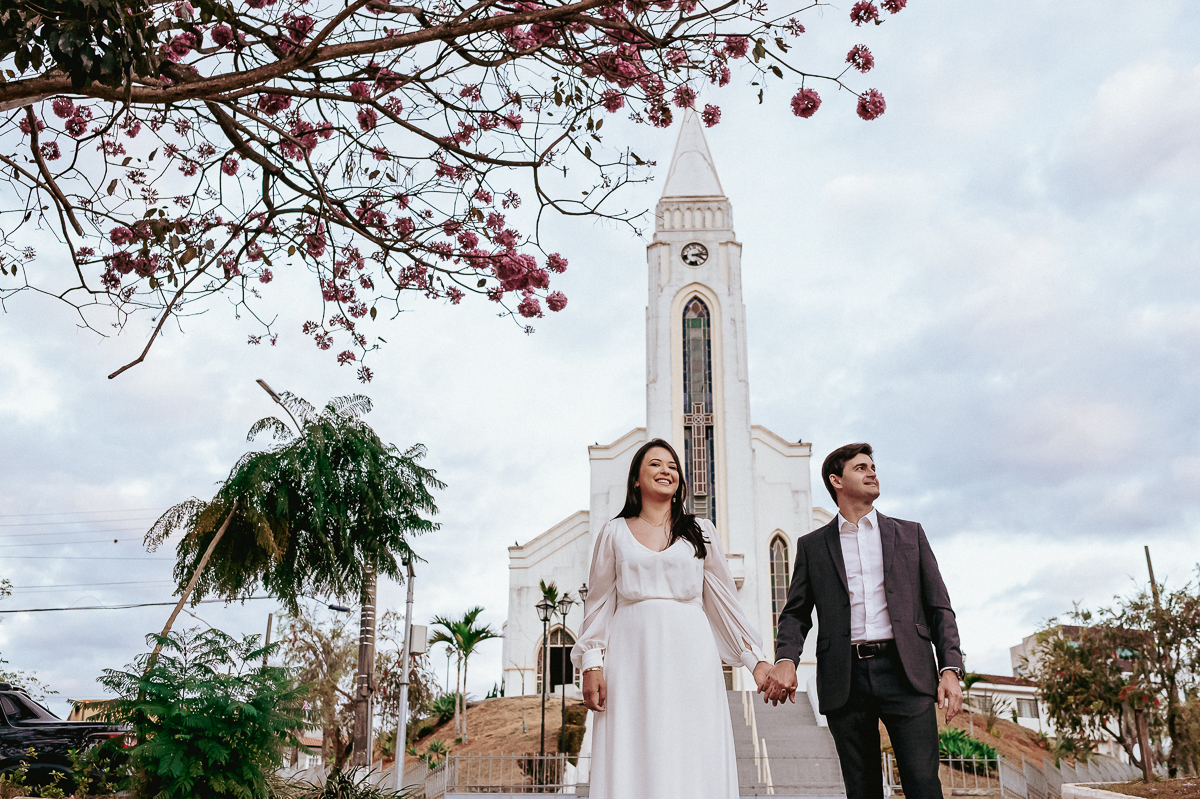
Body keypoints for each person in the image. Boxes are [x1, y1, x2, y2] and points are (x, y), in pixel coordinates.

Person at [759, 443, 964, 799]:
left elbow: (939, 608)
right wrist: (786, 659)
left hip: (906, 672)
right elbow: (795, 613)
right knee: (862, 790)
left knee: (923, 784)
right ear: (836, 480)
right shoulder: (813, 545)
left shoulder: (910, 534)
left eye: (873, 467)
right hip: (845, 678)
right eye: (861, 468)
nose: (872, 473)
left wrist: (950, 668)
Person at [571, 438, 770, 799]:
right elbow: (597, 604)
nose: (666, 471)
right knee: (633, 745)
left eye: (673, 466)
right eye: (655, 464)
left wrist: (754, 660)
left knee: (692, 744)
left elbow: (725, 602)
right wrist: (591, 664)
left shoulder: (701, 531)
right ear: (636, 479)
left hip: (691, 655)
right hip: (631, 658)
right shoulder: (614, 532)